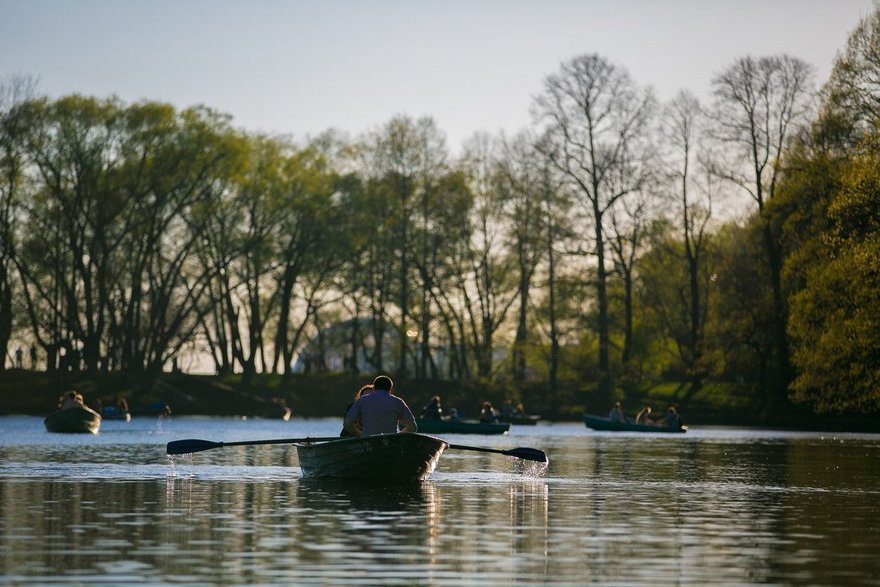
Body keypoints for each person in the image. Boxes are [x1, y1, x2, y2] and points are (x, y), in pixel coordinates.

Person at [343, 375, 416, 436]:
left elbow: (347, 424)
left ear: (374, 388)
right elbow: (413, 427)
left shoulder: (362, 400)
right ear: (390, 389)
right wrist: (397, 437)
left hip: (368, 440)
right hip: (391, 442)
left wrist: (361, 435)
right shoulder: (398, 402)